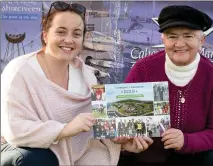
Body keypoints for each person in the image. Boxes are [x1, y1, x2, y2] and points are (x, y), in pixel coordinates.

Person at [1, 1, 153, 166]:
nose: (68, 40)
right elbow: (14, 130)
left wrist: (122, 142)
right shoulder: (19, 71)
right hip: (21, 149)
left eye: (76, 34)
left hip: (77, 151)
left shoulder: (87, 76)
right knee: (39, 159)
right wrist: (65, 129)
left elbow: (94, 129)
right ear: (45, 35)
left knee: (98, 159)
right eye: (61, 31)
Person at [118, 5, 213, 166]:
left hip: (194, 159)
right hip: (146, 157)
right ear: (163, 39)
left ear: (201, 40)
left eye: (188, 36)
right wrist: (129, 136)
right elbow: (122, 118)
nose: (179, 44)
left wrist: (187, 141)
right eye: (172, 36)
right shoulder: (143, 69)